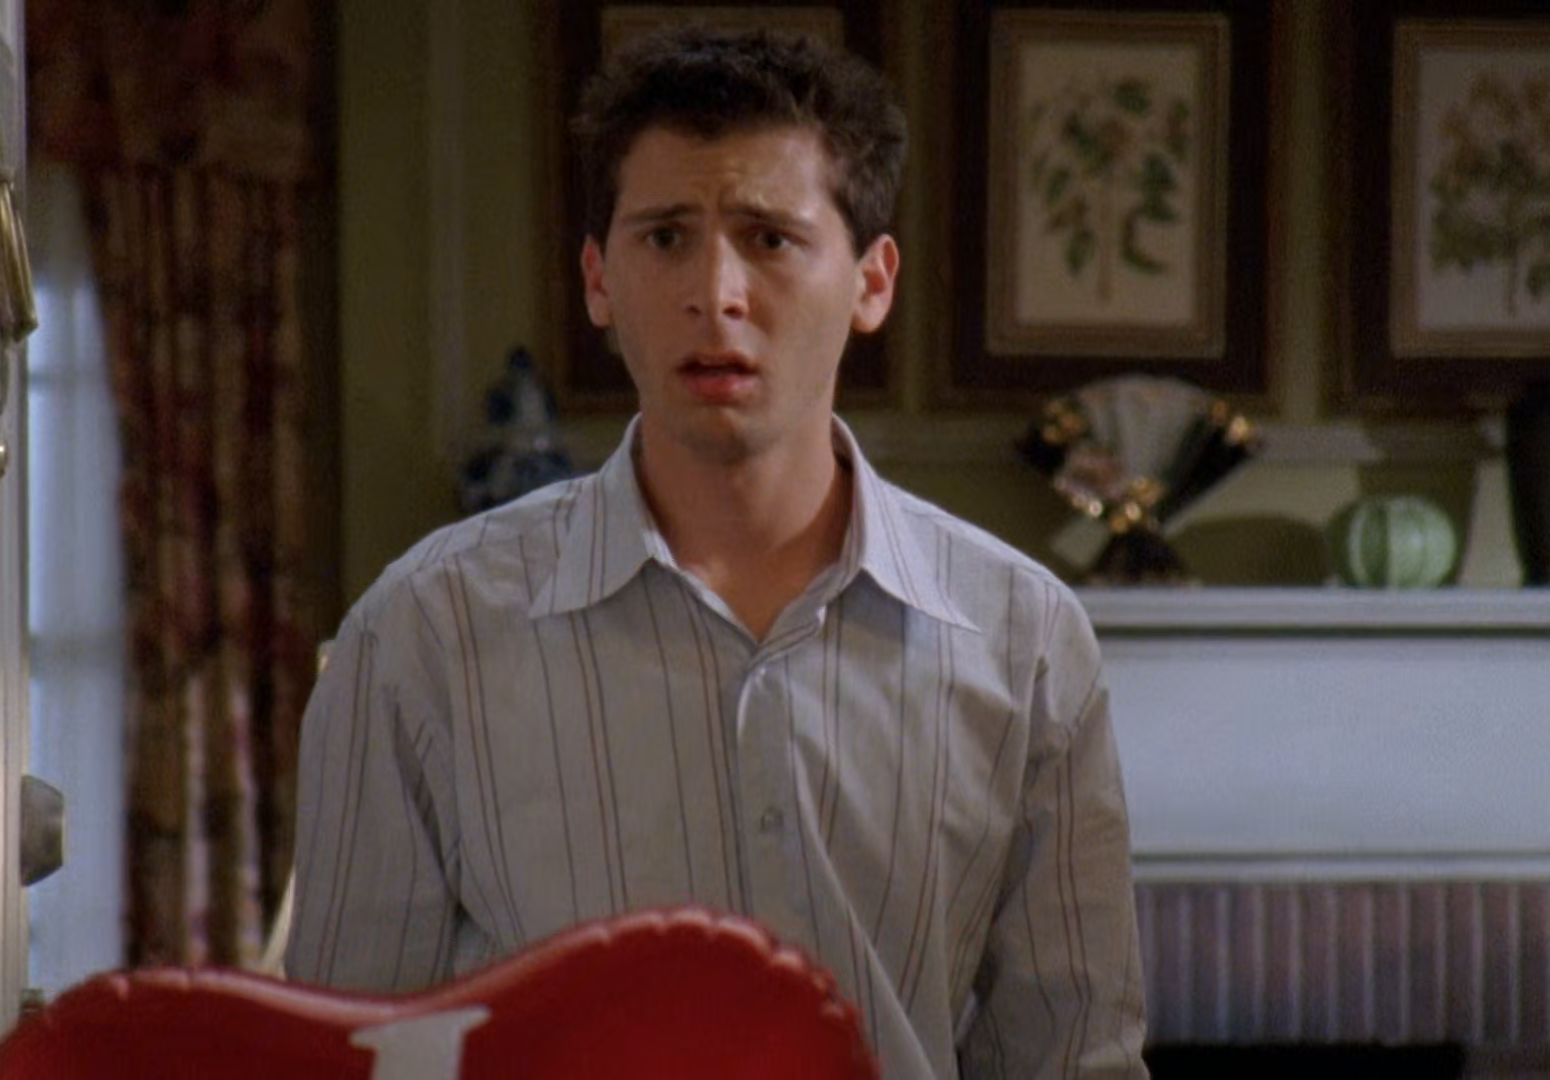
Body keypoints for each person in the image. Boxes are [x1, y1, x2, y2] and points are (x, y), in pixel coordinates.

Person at [287, 25, 1148, 1078]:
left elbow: (1075, 1059)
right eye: (665, 238)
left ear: (872, 283)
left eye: (770, 239)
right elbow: (356, 1057)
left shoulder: (1023, 637)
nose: (716, 293)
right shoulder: (423, 633)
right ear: (599, 281)